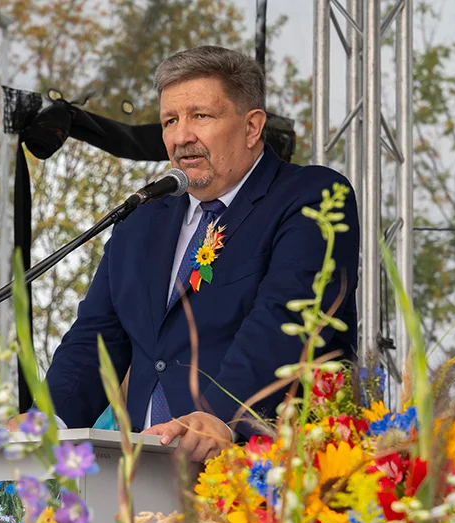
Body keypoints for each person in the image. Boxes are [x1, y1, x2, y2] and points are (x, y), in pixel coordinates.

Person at [37, 46, 360, 464]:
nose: (180, 136)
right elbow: (94, 339)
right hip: (146, 472)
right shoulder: (141, 219)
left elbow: (286, 322)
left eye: (200, 116)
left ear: (251, 127)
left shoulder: (309, 196)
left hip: (270, 470)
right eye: (170, 120)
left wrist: (219, 417)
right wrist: (46, 422)